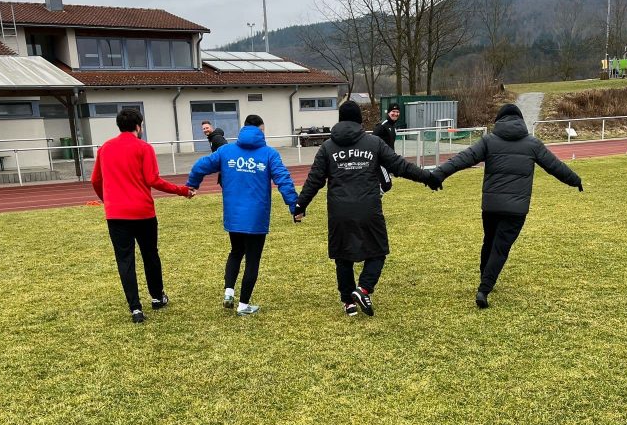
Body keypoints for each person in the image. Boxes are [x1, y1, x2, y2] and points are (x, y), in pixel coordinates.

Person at [293, 100, 441, 317]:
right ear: (360, 120)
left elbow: (315, 179)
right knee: (378, 250)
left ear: (340, 120)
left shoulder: (328, 147)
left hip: (339, 210)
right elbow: (400, 166)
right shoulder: (373, 143)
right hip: (368, 207)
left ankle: (348, 302)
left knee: (343, 256)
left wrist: (300, 205)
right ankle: (363, 289)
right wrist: (427, 177)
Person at [432, 103, 583, 310]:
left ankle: (484, 277)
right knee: (500, 248)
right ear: (521, 121)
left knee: (489, 241)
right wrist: (575, 180)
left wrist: (440, 173)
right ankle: (484, 288)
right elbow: (555, 166)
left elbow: (463, 158)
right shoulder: (532, 144)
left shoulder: (489, 141)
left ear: (499, 120)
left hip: (491, 206)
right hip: (516, 209)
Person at [185, 114, 298, 315]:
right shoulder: (269, 154)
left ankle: (229, 292)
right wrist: (294, 206)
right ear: (261, 130)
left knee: (236, 252)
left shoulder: (226, 151)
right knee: (252, 259)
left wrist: (193, 184)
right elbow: (283, 180)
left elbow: (200, 165)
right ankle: (243, 305)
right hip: (256, 217)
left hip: (234, 215)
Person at [91, 107, 194, 323]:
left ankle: (135, 308)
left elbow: (96, 180)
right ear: (139, 126)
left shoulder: (105, 148)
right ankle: (157, 297)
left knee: (125, 260)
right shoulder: (144, 148)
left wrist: (107, 200)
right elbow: (153, 180)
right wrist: (182, 190)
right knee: (150, 255)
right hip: (143, 212)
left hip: (116, 214)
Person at [371, 102, 400, 194]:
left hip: (388, 160)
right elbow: (371, 140)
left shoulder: (393, 126)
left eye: (397, 112)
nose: (395, 114)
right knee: (387, 184)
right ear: (388, 112)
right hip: (380, 161)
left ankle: (373, 198)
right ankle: (374, 197)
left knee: (379, 183)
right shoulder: (382, 126)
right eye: (393, 111)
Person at [201, 121, 226, 186]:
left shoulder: (217, 138)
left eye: (207, 128)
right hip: (222, 167)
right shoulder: (212, 138)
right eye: (204, 129)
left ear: (211, 127)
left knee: (226, 186)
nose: (205, 130)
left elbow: (226, 151)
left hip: (226, 167)